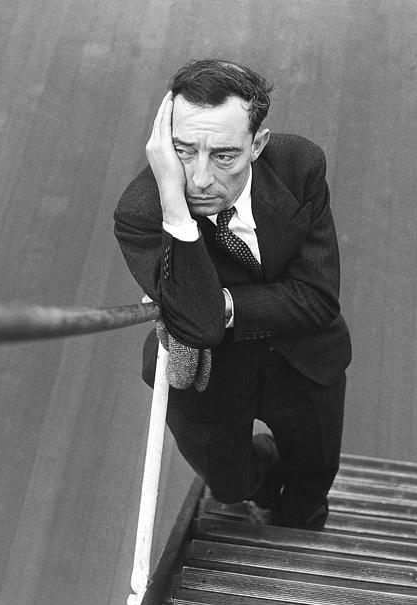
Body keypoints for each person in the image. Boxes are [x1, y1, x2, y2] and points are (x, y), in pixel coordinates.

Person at [114, 59, 351, 530]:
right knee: (231, 485)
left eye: (223, 156)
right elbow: (200, 325)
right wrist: (177, 214)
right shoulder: (142, 211)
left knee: (313, 479)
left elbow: (318, 299)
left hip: (303, 360)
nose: (200, 178)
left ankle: (300, 543)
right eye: (183, 151)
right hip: (211, 377)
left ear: (257, 145)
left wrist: (226, 305)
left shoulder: (300, 166)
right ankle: (260, 481)